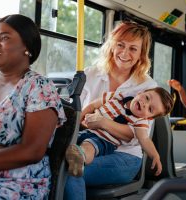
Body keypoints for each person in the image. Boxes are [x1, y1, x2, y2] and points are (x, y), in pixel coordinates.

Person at [64, 21, 157, 200]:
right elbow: (75, 114)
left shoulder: (147, 87)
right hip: (85, 140)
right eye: (120, 45)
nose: (125, 53)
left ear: (141, 54)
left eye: (133, 49)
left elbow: (135, 135)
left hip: (124, 156)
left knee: (71, 171)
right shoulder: (90, 74)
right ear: (112, 46)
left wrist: (103, 122)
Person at [0, 14, 66, 199]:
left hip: (18, 182)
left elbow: (32, 151)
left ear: (26, 45)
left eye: (4, 38)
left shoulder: (39, 86)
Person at [65, 87, 174, 177]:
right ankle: (69, 152)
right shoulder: (115, 97)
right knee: (68, 138)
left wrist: (155, 155)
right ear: (140, 92)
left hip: (103, 141)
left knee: (89, 146)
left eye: (150, 109)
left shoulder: (140, 122)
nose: (145, 104)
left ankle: (79, 161)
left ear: (149, 118)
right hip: (87, 130)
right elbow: (92, 106)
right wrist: (77, 121)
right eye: (147, 98)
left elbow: (144, 139)